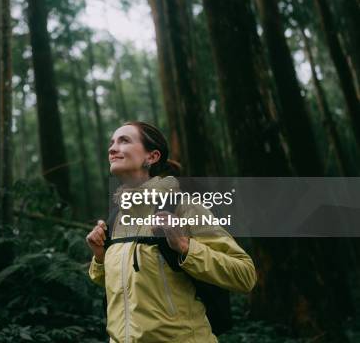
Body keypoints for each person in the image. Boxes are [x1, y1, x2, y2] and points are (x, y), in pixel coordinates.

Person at [85, 121, 257, 343]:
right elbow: (126, 288)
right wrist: (100, 257)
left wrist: (186, 248)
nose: (112, 148)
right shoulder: (116, 218)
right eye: (111, 143)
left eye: (124, 140)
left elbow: (245, 275)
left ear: (152, 157)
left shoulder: (184, 207)